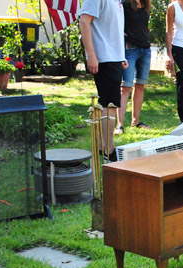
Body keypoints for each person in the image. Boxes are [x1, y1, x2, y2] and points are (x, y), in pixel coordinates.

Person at [79, 0, 128, 161]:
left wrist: (121, 55)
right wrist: (91, 55)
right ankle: (110, 150)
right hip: (104, 58)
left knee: (109, 103)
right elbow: (84, 21)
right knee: (110, 105)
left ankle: (103, 147)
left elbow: (112, 28)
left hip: (114, 58)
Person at [114, 0, 152, 135]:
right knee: (126, 87)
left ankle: (136, 121)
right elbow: (118, 28)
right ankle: (119, 124)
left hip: (145, 48)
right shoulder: (124, 5)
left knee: (140, 85)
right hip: (130, 49)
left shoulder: (145, 4)